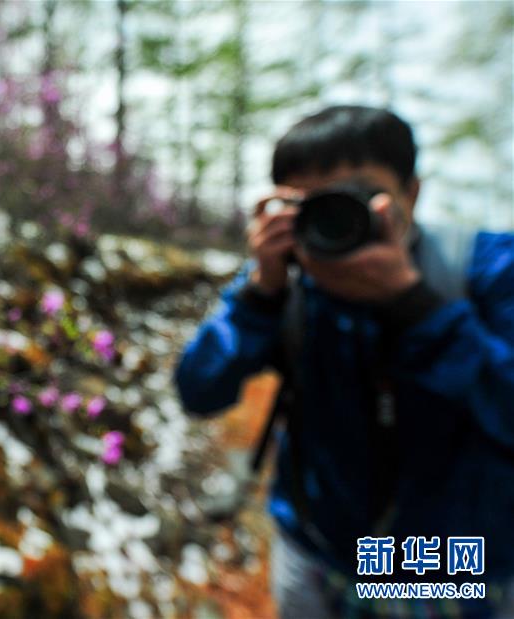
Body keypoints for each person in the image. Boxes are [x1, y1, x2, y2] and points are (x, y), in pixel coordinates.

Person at [174, 105, 514, 618]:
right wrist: (259, 296)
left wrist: (414, 305)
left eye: (351, 197)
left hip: (455, 573)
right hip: (317, 554)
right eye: (305, 205)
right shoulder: (286, 282)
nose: (332, 220)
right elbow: (199, 389)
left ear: (411, 192)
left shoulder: (486, 269)